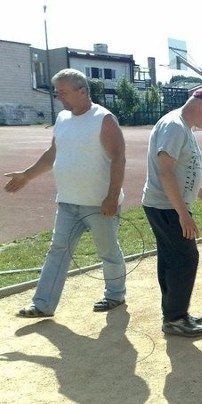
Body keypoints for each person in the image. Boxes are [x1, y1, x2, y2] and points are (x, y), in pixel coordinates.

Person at [4, 68, 127, 317]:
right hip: (68, 202)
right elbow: (52, 154)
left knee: (107, 251)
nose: (59, 97)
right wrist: (27, 175)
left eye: (64, 92)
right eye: (57, 92)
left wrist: (112, 197)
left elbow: (118, 158)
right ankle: (42, 304)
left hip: (99, 204)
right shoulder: (62, 118)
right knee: (57, 250)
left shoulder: (104, 119)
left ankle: (115, 294)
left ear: (82, 91)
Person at [142, 87, 202, 337]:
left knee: (172, 258)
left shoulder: (183, 128)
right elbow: (166, 172)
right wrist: (183, 214)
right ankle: (175, 318)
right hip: (166, 206)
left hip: (170, 205)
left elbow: (184, 170)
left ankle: (174, 312)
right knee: (185, 258)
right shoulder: (174, 126)